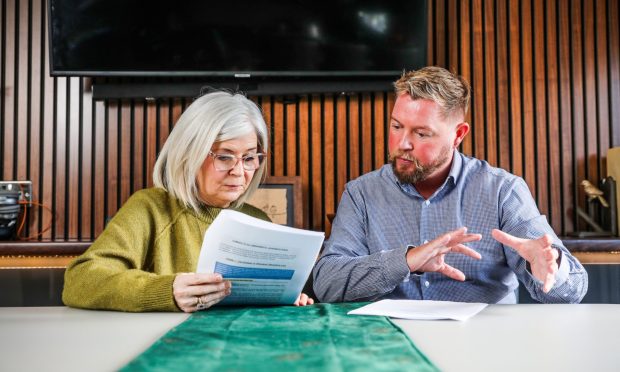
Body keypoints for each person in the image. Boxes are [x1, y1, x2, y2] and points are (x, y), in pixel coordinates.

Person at [313, 66, 588, 304]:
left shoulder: (502, 191)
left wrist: (549, 268)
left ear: (458, 135)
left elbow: (572, 291)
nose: (403, 144)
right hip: (390, 347)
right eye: (396, 127)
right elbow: (327, 284)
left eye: (421, 133)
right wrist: (407, 260)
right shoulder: (361, 194)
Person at [63, 90, 313, 312]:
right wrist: (166, 290)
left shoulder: (257, 219)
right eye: (225, 157)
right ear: (189, 155)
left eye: (249, 158)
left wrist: (284, 299)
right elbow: (80, 281)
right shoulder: (150, 208)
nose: (239, 171)